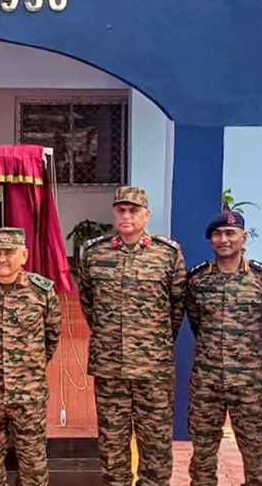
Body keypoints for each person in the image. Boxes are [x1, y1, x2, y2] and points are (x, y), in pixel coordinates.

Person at [77, 186, 187, 486]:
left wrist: (155, 342)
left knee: (156, 443)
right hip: (110, 367)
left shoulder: (167, 253)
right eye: (121, 210)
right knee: (112, 443)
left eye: (134, 210)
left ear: (146, 214)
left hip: (153, 369)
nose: (127, 215)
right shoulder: (94, 253)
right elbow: (88, 302)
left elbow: (177, 306)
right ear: (114, 213)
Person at [186, 211, 262, 486]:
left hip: (248, 380)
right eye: (217, 234)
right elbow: (195, 322)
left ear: (244, 237)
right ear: (210, 240)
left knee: (253, 447)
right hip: (207, 380)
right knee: (203, 448)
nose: (224, 239)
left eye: (230, 233)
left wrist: (249, 355)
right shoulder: (198, 278)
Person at [0, 227, 62, 486]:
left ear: (24, 255)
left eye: (9, 252)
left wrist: (27, 369)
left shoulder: (42, 292)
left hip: (28, 395)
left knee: (33, 466)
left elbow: (51, 337)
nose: (2, 259)